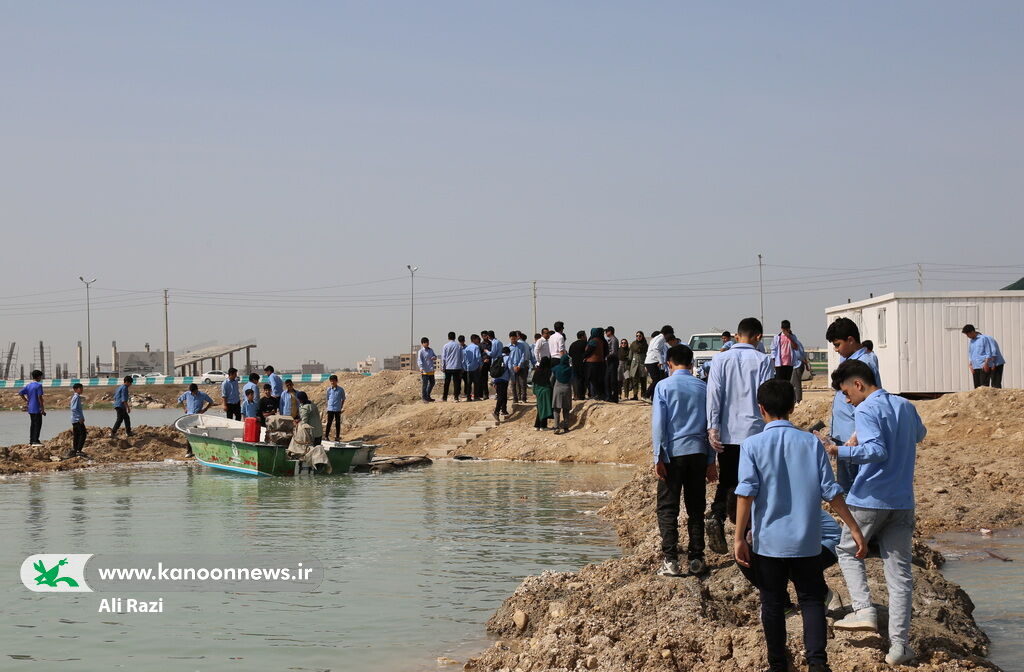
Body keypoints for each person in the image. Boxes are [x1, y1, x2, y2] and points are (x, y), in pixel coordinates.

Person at [735, 379, 867, 672]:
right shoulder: (810, 442)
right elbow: (830, 491)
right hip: (807, 541)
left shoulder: (751, 445)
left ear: (761, 409)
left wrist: (739, 537)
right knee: (811, 600)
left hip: (769, 541)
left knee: (771, 603)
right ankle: (818, 664)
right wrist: (854, 528)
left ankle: (778, 664)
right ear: (793, 407)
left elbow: (746, 492)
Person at [821, 360, 926, 666]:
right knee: (900, 575)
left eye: (846, 393)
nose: (846, 400)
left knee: (847, 549)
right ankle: (899, 645)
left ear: (858, 384)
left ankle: (863, 607)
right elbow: (920, 434)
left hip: (870, 497)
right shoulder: (905, 406)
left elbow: (877, 451)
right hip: (903, 499)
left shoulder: (866, 409)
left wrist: (838, 450)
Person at [705, 317, 774, 554]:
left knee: (728, 480)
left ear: (737, 335)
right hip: (756, 431)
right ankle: (748, 532)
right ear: (757, 337)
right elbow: (766, 395)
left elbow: (714, 393)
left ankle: (716, 515)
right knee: (754, 482)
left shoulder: (720, 359)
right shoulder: (763, 360)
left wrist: (713, 426)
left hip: (728, 431)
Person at [652, 344, 718, 577]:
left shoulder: (663, 386)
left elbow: (659, 425)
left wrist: (658, 456)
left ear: (669, 363)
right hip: (698, 453)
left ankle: (671, 560)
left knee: (668, 508)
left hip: (673, 454)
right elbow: (712, 425)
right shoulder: (703, 387)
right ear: (691, 364)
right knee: (696, 507)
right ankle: (697, 559)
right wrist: (712, 460)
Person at [826, 317, 882, 492]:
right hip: (843, 433)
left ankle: (854, 519)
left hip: (853, 435)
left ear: (851, 340)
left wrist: (855, 436)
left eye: (838, 344)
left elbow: (869, 402)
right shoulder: (848, 359)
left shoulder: (864, 362)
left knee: (853, 487)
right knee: (846, 482)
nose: (836, 350)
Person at [962, 324, 1005, 389]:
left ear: (973, 332)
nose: (967, 336)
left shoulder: (986, 338)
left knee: (995, 384)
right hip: (985, 363)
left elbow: (993, 351)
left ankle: (996, 398)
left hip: (996, 363)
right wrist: (971, 364)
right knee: (981, 384)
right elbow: (971, 353)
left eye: (968, 334)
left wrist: (993, 364)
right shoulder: (973, 341)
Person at [644, 326, 673, 399]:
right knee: (657, 379)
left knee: (657, 380)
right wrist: (661, 361)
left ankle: (653, 397)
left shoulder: (656, 338)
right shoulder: (661, 338)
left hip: (651, 360)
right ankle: (646, 395)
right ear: (667, 333)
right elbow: (655, 348)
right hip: (652, 361)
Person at [18, 369, 46, 446]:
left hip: (30, 408)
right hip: (37, 408)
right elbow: (40, 397)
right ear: (39, 377)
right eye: (40, 377)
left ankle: (31, 440)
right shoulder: (38, 385)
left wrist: (27, 401)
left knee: (33, 424)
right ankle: (35, 440)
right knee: (38, 424)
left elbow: (20, 393)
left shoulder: (29, 385)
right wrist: (42, 409)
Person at [551, 355, 574, 434]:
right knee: (566, 409)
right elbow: (573, 379)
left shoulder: (556, 368)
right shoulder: (570, 369)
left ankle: (556, 427)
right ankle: (566, 427)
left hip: (557, 388)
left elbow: (552, 379)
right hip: (567, 389)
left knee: (556, 409)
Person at [583, 327, 607, 401]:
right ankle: (601, 395)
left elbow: (588, 351)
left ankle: (596, 394)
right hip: (601, 362)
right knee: (599, 379)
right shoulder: (602, 341)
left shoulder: (594, 341)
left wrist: (583, 356)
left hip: (592, 363)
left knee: (593, 379)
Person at [441, 332, 464, 402]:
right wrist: (462, 366)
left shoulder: (445, 346)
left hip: (448, 367)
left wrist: (443, 366)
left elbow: (443, 357)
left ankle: (445, 397)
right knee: (456, 383)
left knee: (447, 383)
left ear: (448, 337)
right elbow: (462, 357)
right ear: (455, 337)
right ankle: (456, 397)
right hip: (457, 367)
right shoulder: (459, 346)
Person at [532, 356, 554, 430]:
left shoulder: (537, 370)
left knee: (540, 408)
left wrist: (534, 391)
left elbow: (534, 382)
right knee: (544, 408)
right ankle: (543, 426)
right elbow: (551, 381)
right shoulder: (549, 371)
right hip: (546, 391)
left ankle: (537, 425)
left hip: (538, 391)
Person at [490, 346, 511, 423]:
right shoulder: (508, 358)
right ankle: (496, 411)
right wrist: (513, 379)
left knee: (503, 395)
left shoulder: (496, 358)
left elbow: (493, 370)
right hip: (504, 380)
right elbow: (510, 368)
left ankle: (504, 410)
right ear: (508, 352)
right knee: (501, 396)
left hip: (497, 379)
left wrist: (493, 381)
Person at [506, 331, 528, 404]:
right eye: (512, 339)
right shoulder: (508, 347)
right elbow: (508, 357)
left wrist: (518, 365)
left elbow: (523, 356)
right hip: (512, 368)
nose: (513, 340)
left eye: (514, 339)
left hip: (521, 367)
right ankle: (515, 399)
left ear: (517, 338)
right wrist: (513, 366)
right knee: (513, 384)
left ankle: (523, 398)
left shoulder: (521, 345)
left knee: (523, 383)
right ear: (509, 338)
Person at [325, 374, 346, 441]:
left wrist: (341, 406)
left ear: (336, 381)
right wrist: (328, 407)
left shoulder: (341, 390)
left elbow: (343, 399)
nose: (332, 382)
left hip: (337, 409)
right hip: (330, 408)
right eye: (331, 381)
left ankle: (337, 437)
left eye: (333, 381)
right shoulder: (328, 390)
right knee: (329, 423)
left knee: (337, 423)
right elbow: (327, 398)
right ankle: (326, 436)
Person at [568, 330, 588, 400]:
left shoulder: (573, 344)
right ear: (582, 336)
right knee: (582, 380)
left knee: (575, 380)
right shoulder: (585, 343)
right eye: (585, 335)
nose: (586, 337)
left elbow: (570, 354)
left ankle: (576, 395)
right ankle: (581, 395)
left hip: (574, 364)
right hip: (583, 364)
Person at [602, 327, 620, 403]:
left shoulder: (614, 340)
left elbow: (613, 352)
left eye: (606, 331)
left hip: (613, 361)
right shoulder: (610, 340)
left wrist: (606, 357)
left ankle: (615, 397)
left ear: (610, 332)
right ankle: (609, 396)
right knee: (608, 379)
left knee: (612, 380)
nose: (605, 333)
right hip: (610, 361)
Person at [462, 335, 482, 401]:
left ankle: (468, 397)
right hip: (475, 367)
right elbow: (478, 357)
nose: (478, 340)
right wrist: (480, 365)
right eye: (477, 339)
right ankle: (476, 397)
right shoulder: (476, 347)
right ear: (474, 340)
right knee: (476, 383)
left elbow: (464, 359)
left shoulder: (467, 348)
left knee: (468, 383)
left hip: (468, 368)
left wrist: (465, 367)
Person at [417, 337, 437, 402]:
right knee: (425, 385)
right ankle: (424, 397)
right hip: (425, 371)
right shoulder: (421, 351)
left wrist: (434, 357)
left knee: (432, 383)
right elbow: (419, 360)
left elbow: (435, 356)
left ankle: (428, 395)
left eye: (427, 342)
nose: (427, 344)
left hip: (431, 370)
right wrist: (421, 368)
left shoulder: (431, 350)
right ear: (422, 344)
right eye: (425, 343)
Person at [70, 382, 87, 457]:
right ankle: (78, 450)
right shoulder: (76, 397)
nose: (82, 390)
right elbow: (74, 408)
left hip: (74, 419)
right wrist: (80, 418)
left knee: (76, 435)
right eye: (81, 388)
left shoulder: (75, 397)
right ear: (76, 389)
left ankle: (75, 450)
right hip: (77, 419)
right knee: (83, 434)